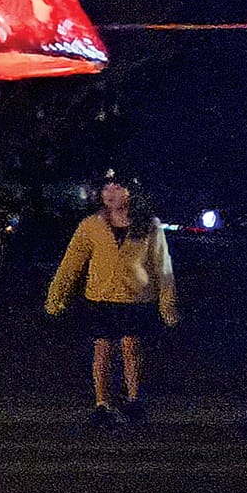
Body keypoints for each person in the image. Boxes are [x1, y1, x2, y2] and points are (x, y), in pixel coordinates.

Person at [45, 175, 179, 427]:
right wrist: (57, 296)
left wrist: (167, 303)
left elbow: (163, 266)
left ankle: (134, 399)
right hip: (101, 297)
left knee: (131, 346)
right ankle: (102, 403)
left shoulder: (149, 225)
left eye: (117, 187)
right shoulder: (90, 226)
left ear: (130, 192)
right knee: (102, 348)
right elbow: (72, 263)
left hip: (136, 297)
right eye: (106, 188)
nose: (110, 193)